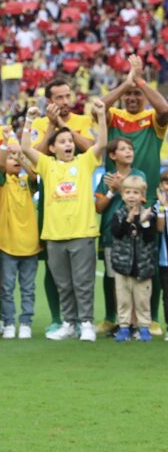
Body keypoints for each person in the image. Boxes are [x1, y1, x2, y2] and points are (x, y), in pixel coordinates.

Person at [13, 101, 108, 342]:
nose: (68, 145)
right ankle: (69, 323)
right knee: (63, 284)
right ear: (53, 147)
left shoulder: (84, 163)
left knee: (83, 283)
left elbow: (103, 144)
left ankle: (86, 323)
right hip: (54, 235)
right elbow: (25, 148)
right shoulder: (46, 165)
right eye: (62, 142)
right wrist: (29, 119)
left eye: (70, 141)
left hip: (82, 233)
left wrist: (101, 115)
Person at [101, 54, 168, 337]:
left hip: (146, 201)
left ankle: (148, 318)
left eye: (136, 93)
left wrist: (139, 79)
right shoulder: (114, 116)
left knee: (147, 262)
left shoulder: (151, 119)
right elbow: (100, 105)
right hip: (113, 197)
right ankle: (111, 317)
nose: (131, 97)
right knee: (111, 262)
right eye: (127, 94)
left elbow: (165, 109)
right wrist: (126, 81)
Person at [0, 125, 40, 339]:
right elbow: (1, 164)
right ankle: (9, 321)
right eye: (11, 157)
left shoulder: (28, 181)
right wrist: (6, 143)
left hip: (29, 245)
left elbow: (33, 175)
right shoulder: (1, 182)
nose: (14, 159)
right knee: (7, 287)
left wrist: (22, 157)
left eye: (17, 157)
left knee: (28, 288)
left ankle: (26, 322)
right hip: (6, 244)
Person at [94, 138, 145, 335]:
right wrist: (112, 190)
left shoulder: (139, 175)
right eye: (123, 149)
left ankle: (135, 322)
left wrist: (122, 184)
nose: (128, 151)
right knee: (116, 279)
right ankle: (122, 322)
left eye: (130, 148)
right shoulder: (107, 178)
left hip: (133, 235)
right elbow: (99, 207)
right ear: (113, 155)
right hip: (110, 234)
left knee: (133, 279)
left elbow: (140, 200)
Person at [109, 175, 158, 342]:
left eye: (136, 192)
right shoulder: (118, 213)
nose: (131, 196)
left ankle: (144, 327)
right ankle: (124, 327)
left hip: (142, 267)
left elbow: (150, 237)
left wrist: (143, 222)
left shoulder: (148, 214)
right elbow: (116, 233)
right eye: (128, 192)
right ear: (122, 194)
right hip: (123, 266)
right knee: (123, 300)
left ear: (142, 195)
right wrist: (128, 220)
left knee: (143, 300)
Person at [156, 174, 168, 340]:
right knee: (167, 295)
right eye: (166, 182)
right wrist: (163, 207)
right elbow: (159, 228)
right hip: (165, 260)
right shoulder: (158, 205)